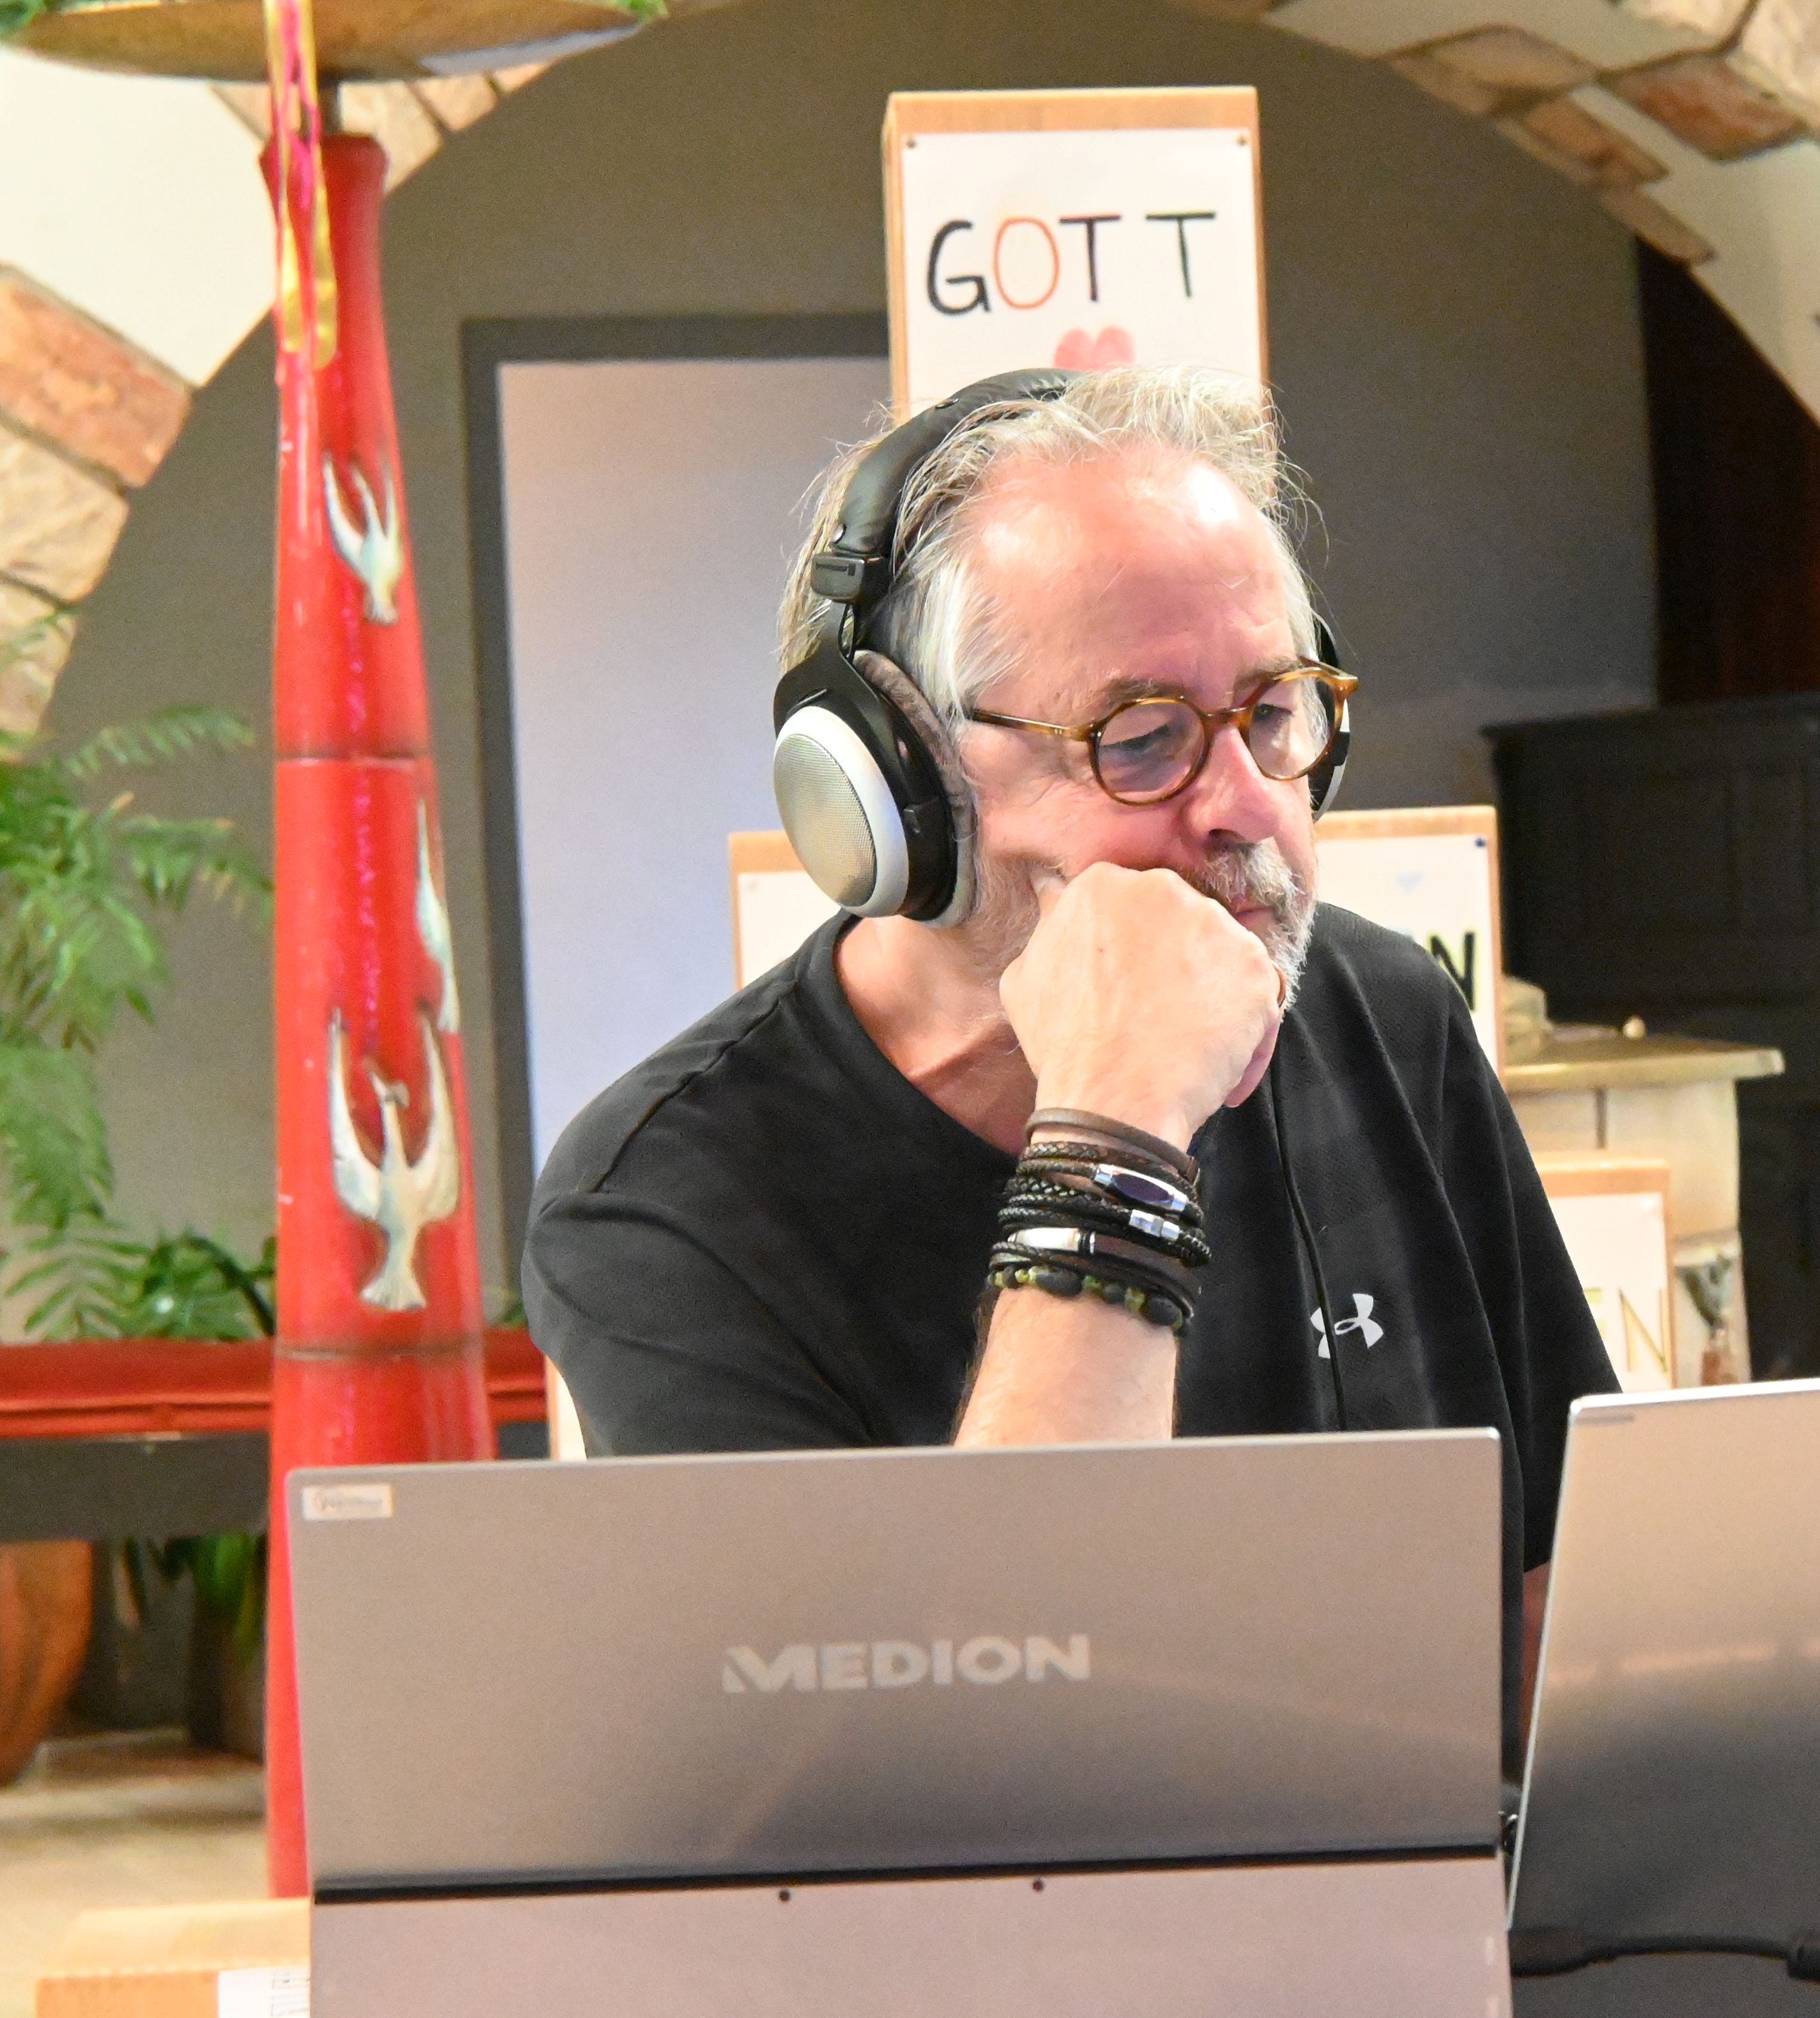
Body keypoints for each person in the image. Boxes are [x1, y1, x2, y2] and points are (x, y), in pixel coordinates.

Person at [522, 367, 1614, 1739]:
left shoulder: (1387, 1015)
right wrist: (1117, 1122)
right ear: (895, 788)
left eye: (1274, 712)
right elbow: (967, 1762)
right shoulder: (663, 1207)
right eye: (1142, 739)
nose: (1248, 806)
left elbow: (1561, 1605)